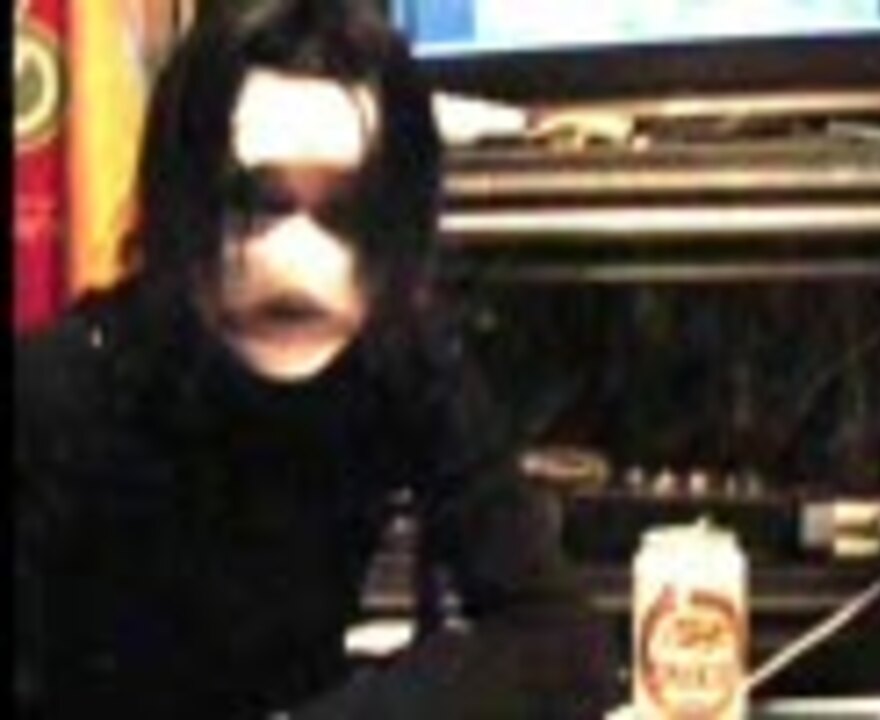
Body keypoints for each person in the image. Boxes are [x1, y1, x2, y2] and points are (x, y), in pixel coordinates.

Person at [14, 2, 617, 718]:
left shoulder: (395, 358)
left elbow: (560, 639)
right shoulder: (59, 395)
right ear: (184, 203)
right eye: (256, 201)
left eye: (349, 212)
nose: (299, 258)